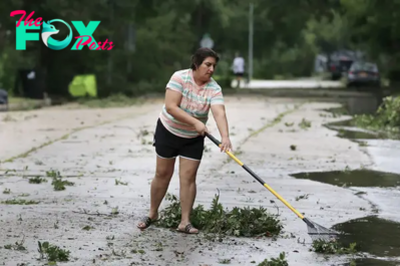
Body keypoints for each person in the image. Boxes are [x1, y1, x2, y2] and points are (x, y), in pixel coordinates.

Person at [136, 47, 233, 234]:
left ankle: (185, 222)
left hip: (193, 138)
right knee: (163, 174)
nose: (211, 69)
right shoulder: (179, 78)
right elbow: (171, 107)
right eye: (208, 64)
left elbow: (219, 112)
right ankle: (152, 213)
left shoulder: (214, 88)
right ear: (196, 64)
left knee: (188, 178)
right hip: (169, 131)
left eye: (214, 66)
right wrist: (195, 122)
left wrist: (225, 137)